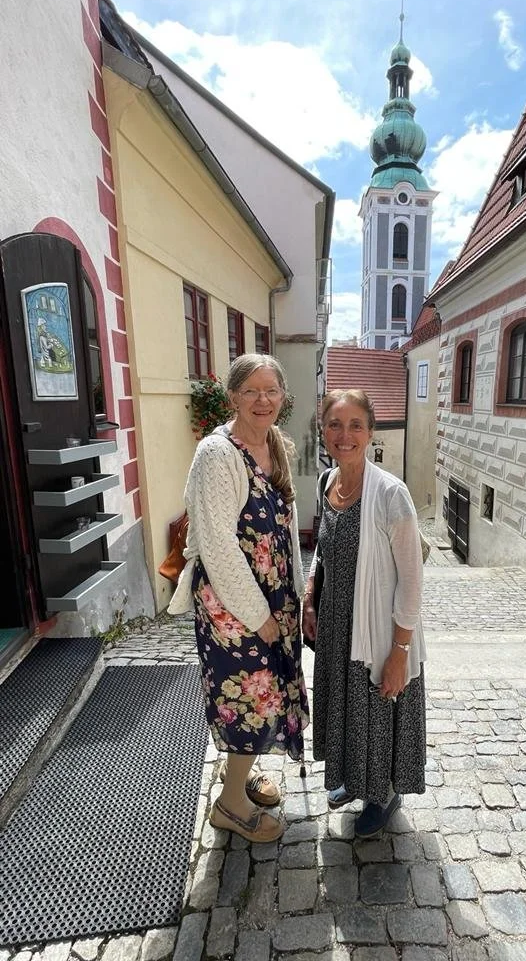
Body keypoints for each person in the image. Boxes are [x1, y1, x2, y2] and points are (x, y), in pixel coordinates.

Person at [169, 353, 309, 843]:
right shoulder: (218, 453)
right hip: (236, 607)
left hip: (273, 600)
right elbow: (218, 544)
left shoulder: (274, 444)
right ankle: (230, 806)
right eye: (251, 391)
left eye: (271, 391)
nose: (262, 400)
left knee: (260, 698)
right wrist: (259, 617)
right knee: (251, 698)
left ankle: (238, 780)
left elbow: (286, 529)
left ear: (283, 397)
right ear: (232, 397)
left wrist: (297, 595)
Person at [302, 389, 426, 838]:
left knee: (376, 713)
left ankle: (383, 794)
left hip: (377, 632)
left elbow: (412, 582)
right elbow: (322, 548)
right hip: (336, 629)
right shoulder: (325, 483)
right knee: (345, 710)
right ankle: (355, 780)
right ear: (323, 430)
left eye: (356, 425)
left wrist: (399, 652)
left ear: (371, 433)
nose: (345, 434)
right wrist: (311, 596)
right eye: (335, 424)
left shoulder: (392, 494)